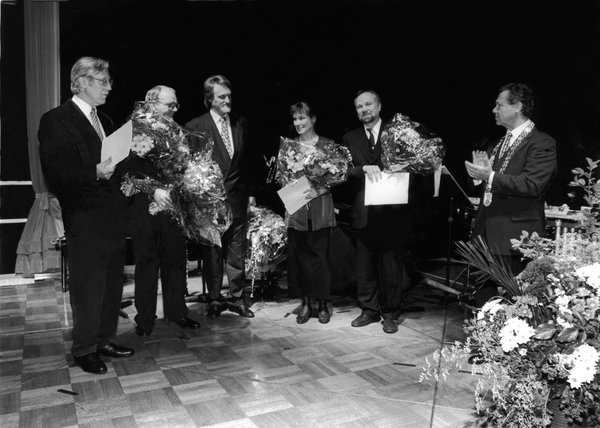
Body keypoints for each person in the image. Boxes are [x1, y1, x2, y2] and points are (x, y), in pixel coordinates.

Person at [39, 56, 133, 374]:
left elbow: (115, 164)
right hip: (83, 216)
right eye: (103, 81)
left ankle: (104, 339)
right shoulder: (56, 120)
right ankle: (84, 348)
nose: (109, 86)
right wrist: (93, 172)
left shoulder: (105, 120)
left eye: (109, 81)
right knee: (88, 285)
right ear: (82, 82)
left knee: (111, 283)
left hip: (111, 216)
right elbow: (56, 169)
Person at [465, 82, 557, 305]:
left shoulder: (541, 142)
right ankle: (481, 339)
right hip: (486, 235)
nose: (494, 110)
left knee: (512, 304)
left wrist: (490, 176)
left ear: (517, 106)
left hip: (515, 238)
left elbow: (532, 184)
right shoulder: (498, 143)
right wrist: (479, 175)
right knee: (484, 301)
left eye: (499, 105)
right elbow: (490, 181)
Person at [124, 86, 201, 336]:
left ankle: (177, 312)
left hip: (173, 206)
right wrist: (153, 189)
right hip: (145, 208)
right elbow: (130, 168)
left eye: (176, 105)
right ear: (152, 103)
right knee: (147, 264)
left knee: (176, 261)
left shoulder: (176, 132)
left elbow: (183, 165)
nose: (174, 109)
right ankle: (145, 319)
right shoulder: (135, 127)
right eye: (170, 105)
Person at [343, 89, 414, 334]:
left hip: (392, 211)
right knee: (365, 266)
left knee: (392, 266)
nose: (364, 110)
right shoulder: (350, 137)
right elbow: (343, 171)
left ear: (379, 106)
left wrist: (404, 166)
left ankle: (391, 313)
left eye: (368, 104)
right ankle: (369, 310)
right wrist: (361, 169)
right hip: (364, 213)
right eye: (359, 107)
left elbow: (414, 167)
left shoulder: (397, 134)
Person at [185, 75, 254, 318]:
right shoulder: (195, 126)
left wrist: (250, 195)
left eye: (228, 95)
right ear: (209, 99)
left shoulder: (240, 123)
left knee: (237, 251)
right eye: (221, 96)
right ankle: (215, 298)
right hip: (210, 203)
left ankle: (237, 299)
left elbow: (246, 164)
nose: (227, 100)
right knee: (212, 253)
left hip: (237, 199)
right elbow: (190, 167)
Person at [276, 102, 336, 324]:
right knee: (299, 257)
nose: (299, 123)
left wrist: (319, 188)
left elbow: (339, 174)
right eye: (295, 119)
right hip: (297, 207)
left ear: (313, 119)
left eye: (302, 118)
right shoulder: (288, 147)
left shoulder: (327, 145)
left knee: (321, 258)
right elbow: (281, 177)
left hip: (320, 207)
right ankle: (306, 303)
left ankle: (322, 304)